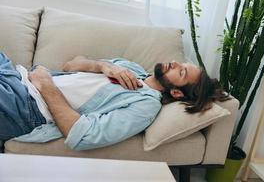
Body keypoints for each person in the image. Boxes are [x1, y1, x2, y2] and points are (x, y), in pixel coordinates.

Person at [0, 52, 228, 150]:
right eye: (181, 64)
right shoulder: (131, 68)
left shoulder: (146, 105)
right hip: (18, 77)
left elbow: (82, 136)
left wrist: (45, 84)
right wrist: (102, 65)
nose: (174, 63)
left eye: (181, 72)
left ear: (177, 93)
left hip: (27, 106)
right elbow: (70, 65)